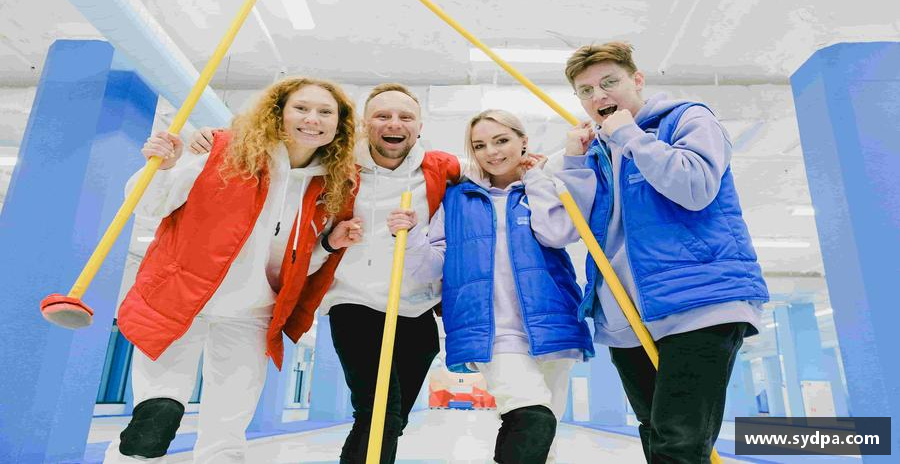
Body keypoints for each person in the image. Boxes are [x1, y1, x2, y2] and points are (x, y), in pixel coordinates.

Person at [188, 82, 460, 464]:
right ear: (364, 124)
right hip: (355, 303)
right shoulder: (336, 164)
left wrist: (530, 165)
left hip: (416, 308)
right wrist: (215, 138)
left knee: (391, 421)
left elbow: (491, 169)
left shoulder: (441, 168)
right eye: (382, 115)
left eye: (405, 117)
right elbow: (280, 148)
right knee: (378, 413)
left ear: (419, 127)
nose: (393, 123)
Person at [105, 77, 363, 463]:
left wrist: (328, 245)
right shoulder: (224, 150)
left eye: (325, 112)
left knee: (228, 429)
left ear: (338, 125)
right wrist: (162, 168)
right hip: (183, 299)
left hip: (251, 314)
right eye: (301, 108)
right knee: (155, 417)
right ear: (278, 113)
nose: (313, 119)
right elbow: (149, 207)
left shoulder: (333, 186)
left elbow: (297, 265)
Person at [559, 41, 769, 463]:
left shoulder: (688, 119)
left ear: (637, 80)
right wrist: (574, 163)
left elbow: (695, 188)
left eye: (609, 82)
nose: (598, 96)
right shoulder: (596, 150)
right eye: (586, 91)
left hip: (699, 303)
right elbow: (569, 228)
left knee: (678, 443)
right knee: (656, 435)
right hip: (626, 315)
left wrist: (631, 136)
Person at [389, 109, 594, 463]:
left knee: (544, 436)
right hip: (491, 331)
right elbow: (432, 267)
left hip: (552, 326)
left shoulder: (543, 186)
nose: (492, 152)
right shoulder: (456, 199)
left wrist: (536, 179)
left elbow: (558, 233)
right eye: (480, 145)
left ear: (523, 141)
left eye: (501, 141)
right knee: (532, 416)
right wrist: (410, 239)